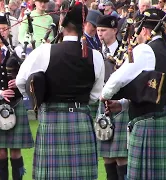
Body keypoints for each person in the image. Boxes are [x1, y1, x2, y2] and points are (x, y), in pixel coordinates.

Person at [16, 3, 105, 179]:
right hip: (81, 120)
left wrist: (38, 100)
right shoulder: (95, 56)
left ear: (62, 24)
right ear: (84, 26)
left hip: (51, 119)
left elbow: (21, 82)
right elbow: (95, 96)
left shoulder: (44, 51)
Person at [100, 8, 166, 180]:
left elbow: (118, 78)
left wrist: (104, 95)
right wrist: (123, 104)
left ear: (144, 29)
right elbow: (157, 90)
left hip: (149, 125)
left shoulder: (145, 50)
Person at [0, 13, 34, 180]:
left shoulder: (18, 51)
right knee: (1, 152)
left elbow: (29, 78)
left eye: (4, 29)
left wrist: (18, 82)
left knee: (16, 151)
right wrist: (1, 93)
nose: (1, 33)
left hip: (16, 104)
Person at [96, 15, 129, 180]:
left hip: (120, 104)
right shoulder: (95, 52)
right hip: (103, 105)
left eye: (104, 30)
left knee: (121, 154)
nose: (100, 34)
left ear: (115, 30)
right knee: (107, 155)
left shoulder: (125, 51)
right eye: (98, 30)